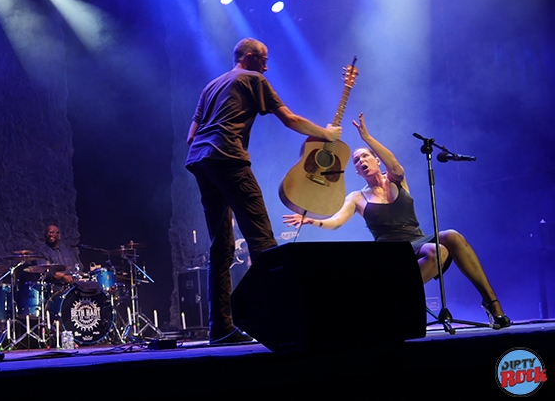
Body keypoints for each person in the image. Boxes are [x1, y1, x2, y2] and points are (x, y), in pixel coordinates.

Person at [283, 113, 511, 329]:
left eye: (365, 156)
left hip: (416, 238)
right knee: (437, 252)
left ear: (376, 161)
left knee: (451, 236)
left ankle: (492, 303)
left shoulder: (396, 180)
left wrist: (367, 138)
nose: (361, 160)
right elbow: (335, 221)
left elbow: (394, 165)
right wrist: (310, 220)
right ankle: (393, 300)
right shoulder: (356, 197)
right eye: (356, 160)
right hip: (390, 250)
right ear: (356, 172)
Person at [185, 37, 342, 344]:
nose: (267, 66)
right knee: (263, 241)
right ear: (248, 57)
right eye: (263, 58)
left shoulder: (211, 86)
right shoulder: (253, 79)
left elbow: (191, 136)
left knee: (221, 246)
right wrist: (326, 133)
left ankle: (221, 327)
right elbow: (290, 119)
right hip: (228, 158)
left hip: (201, 161)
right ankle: (280, 321)